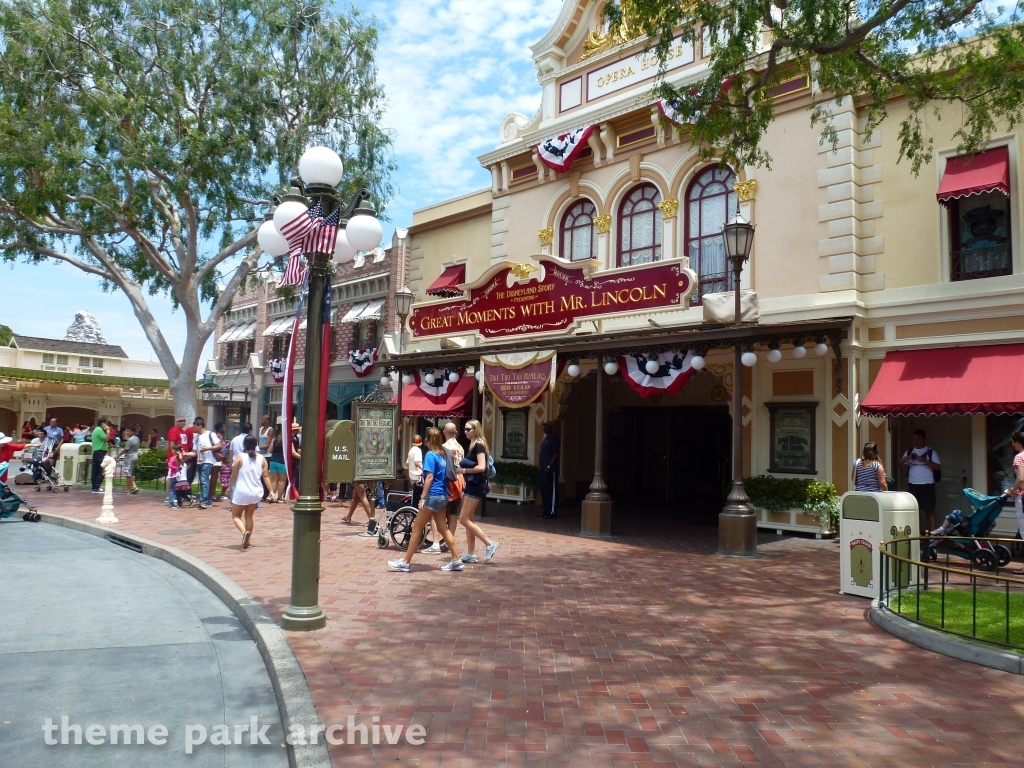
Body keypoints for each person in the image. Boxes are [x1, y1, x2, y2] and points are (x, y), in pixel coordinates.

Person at [387, 428, 463, 572]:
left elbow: (429, 477)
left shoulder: (430, 455)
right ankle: (456, 560)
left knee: (417, 527)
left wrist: (422, 497)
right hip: (442, 495)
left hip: (432, 495)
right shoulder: (443, 455)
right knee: (443, 528)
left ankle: (405, 562)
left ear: (428, 440)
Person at [457, 420, 499, 564]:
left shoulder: (479, 445)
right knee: (469, 519)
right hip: (472, 484)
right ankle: (471, 553)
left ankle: (489, 543)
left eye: (469, 429)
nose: (466, 431)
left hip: (476, 485)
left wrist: (462, 470)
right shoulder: (474, 444)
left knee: (463, 519)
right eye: (465, 429)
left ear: (476, 430)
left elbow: (481, 467)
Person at [228, 434, 273, 549]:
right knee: (249, 516)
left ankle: (244, 533)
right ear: (256, 445)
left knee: (236, 516)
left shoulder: (240, 457)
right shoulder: (262, 458)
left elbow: (234, 474)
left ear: (244, 445)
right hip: (256, 491)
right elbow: (266, 476)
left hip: (242, 491)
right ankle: (247, 542)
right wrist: (271, 491)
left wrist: (229, 486)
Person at [427, 421, 465, 554]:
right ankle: (449, 543)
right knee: (453, 515)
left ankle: (436, 543)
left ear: (444, 433)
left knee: (436, 514)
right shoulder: (460, 447)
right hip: (459, 482)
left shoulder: (442, 448)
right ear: (456, 433)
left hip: (447, 483)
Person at [899, 429, 941, 533]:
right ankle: (918, 536)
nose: (916, 442)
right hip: (913, 484)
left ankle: (933, 537)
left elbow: (937, 467)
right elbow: (900, 468)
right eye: (914, 439)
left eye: (918, 439)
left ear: (923, 439)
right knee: (915, 511)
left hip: (927, 484)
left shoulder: (930, 452)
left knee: (929, 511)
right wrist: (903, 461)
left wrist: (925, 461)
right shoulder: (909, 452)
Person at [193, 417, 221, 509]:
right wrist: (184, 454)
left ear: (200, 426)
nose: (194, 429)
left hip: (207, 461)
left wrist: (208, 448)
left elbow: (219, 445)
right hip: (199, 461)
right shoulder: (196, 437)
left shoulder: (210, 434)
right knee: (203, 481)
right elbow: (194, 452)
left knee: (204, 480)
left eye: (195, 427)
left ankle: (204, 500)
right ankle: (207, 500)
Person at [1007, 431, 1024, 574]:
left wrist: (1012, 490)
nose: (1012, 444)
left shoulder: (1019, 457)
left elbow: (1021, 478)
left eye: (1012, 441)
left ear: (1017, 442)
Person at [538, 422, 560, 518]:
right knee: (544, 490)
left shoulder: (554, 438)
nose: (544, 428)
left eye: (546, 427)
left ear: (551, 428)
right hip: (542, 468)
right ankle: (545, 510)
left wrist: (549, 466)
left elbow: (556, 454)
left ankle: (552, 511)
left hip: (550, 470)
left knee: (551, 490)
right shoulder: (546, 439)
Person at [166, 416, 188, 506]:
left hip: (182, 458)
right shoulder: (174, 430)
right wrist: (175, 458)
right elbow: (172, 444)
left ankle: (177, 496)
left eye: (184, 420)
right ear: (177, 422)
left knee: (179, 479)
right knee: (171, 478)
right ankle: (169, 497)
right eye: (181, 421)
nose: (183, 422)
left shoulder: (183, 431)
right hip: (175, 459)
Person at [116, 425, 141, 494]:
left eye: (128, 431)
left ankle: (134, 486)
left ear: (132, 432)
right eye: (126, 431)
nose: (127, 433)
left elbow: (126, 449)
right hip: (135, 456)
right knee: (128, 473)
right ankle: (127, 489)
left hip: (129, 457)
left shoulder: (130, 440)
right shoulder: (137, 438)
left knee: (128, 472)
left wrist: (117, 456)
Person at [267, 431, 289, 502]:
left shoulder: (275, 440)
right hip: (282, 462)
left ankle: (271, 496)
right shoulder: (287, 441)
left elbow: (270, 450)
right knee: (282, 481)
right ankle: (279, 498)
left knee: (275, 480)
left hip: (273, 461)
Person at [90, 417, 109, 493]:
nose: (107, 425)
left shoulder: (95, 430)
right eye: (106, 423)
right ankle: (96, 486)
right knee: (102, 470)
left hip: (97, 452)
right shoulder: (99, 430)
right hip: (100, 453)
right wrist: (108, 431)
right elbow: (106, 439)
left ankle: (94, 487)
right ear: (103, 424)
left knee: (96, 471)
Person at [406, 434, 423, 508]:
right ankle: (416, 512)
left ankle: (413, 510)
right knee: (418, 496)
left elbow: (407, 463)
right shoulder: (418, 450)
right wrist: (423, 468)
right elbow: (417, 462)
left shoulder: (411, 450)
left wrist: (411, 468)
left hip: (411, 475)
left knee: (414, 494)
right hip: (417, 476)